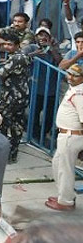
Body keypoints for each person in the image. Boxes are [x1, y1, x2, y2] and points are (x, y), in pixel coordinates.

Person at [46, 63, 83, 212]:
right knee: (58, 165)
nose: (70, 77)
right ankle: (64, 195)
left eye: (75, 75)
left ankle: (66, 201)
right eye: (69, 73)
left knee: (65, 169)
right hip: (66, 134)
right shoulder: (74, 89)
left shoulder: (80, 94)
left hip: (71, 136)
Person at [0, 30, 31, 163]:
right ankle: (12, 154)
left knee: (4, 124)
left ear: (17, 45)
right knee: (17, 125)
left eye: (10, 45)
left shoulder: (15, 58)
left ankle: (4, 154)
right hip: (21, 95)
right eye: (6, 44)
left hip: (12, 96)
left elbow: (1, 74)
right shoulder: (21, 56)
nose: (7, 47)